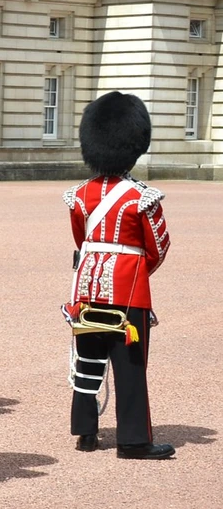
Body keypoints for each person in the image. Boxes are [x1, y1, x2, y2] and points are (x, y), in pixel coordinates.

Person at [67, 92, 174, 460]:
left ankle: (85, 431)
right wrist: (136, 272)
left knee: (89, 359)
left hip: (86, 283)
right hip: (128, 287)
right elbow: (158, 246)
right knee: (129, 365)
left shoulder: (80, 195)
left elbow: (81, 239)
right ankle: (132, 440)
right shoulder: (141, 197)